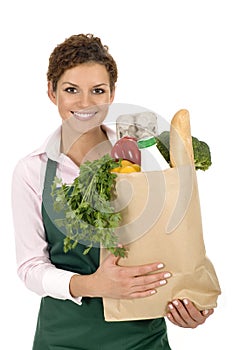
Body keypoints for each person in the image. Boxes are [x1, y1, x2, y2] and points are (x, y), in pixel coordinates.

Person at [11, 34, 214, 350]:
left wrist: (187, 299)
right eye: (71, 90)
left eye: (98, 91)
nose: (85, 103)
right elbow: (30, 268)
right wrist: (92, 284)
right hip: (62, 340)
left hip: (142, 338)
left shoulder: (148, 159)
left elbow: (175, 243)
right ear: (51, 92)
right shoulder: (32, 170)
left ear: (112, 94)